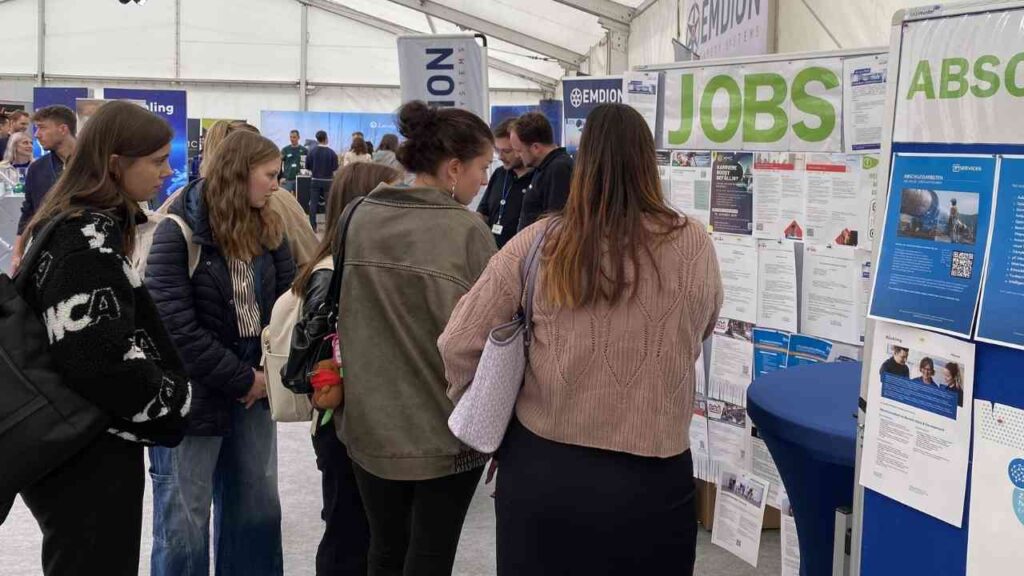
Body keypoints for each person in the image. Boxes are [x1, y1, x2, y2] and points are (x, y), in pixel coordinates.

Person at [439, 103, 724, 576]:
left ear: (583, 161)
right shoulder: (694, 243)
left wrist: (484, 403)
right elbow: (702, 325)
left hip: (545, 469)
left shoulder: (539, 242)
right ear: (647, 161)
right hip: (656, 477)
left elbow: (457, 341)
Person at [18, 100, 191, 576]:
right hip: (85, 451)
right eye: (156, 161)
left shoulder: (85, 226)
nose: (166, 171)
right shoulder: (85, 238)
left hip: (80, 442)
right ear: (116, 164)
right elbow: (97, 358)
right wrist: (175, 397)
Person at [337, 100, 495, 576]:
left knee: (384, 549)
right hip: (444, 432)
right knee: (430, 556)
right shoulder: (468, 230)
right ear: (453, 168)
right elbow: (492, 337)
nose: (485, 180)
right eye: (482, 167)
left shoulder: (357, 215)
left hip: (368, 424)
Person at [145, 130, 296, 576]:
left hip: (256, 387)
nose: (276, 185)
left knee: (256, 511)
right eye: (269, 175)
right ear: (239, 173)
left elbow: (287, 308)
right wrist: (244, 378)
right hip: (192, 396)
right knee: (183, 523)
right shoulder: (178, 231)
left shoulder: (271, 227)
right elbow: (175, 330)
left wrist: (266, 376)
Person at [290, 162, 401, 576]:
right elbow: (317, 357)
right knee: (347, 531)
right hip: (340, 423)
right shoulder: (333, 272)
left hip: (364, 420)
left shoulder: (356, 264)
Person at [158, 120, 319, 270]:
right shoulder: (181, 215)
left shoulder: (182, 201)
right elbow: (310, 261)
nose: (274, 186)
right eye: (270, 175)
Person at [11, 105, 77, 274]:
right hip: (46, 255)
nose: (36, 134)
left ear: (63, 129)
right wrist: (18, 253)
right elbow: (29, 212)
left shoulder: (95, 165)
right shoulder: (37, 169)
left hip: (86, 253)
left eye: (42, 128)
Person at [509, 111, 573, 231]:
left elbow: (556, 222)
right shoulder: (543, 168)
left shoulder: (559, 169)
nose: (517, 156)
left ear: (536, 148)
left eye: (519, 150)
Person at [477, 118, 531, 249]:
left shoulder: (539, 178)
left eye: (506, 151)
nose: (500, 157)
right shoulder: (499, 174)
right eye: (497, 150)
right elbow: (483, 213)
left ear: (521, 148)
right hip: (492, 255)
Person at [306, 130, 339, 230]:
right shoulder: (332, 153)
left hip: (315, 180)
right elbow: (335, 168)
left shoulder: (311, 151)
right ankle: (328, 227)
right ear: (326, 138)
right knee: (328, 204)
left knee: (313, 203)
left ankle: (313, 226)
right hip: (328, 181)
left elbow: (307, 166)